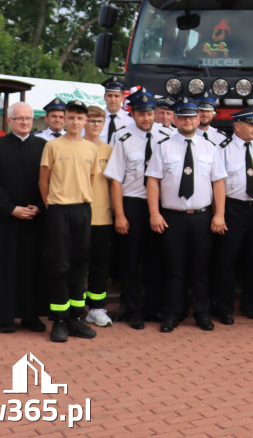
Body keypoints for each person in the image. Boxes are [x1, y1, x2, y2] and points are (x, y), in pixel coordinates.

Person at [146, 98, 226, 333]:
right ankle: (173, 313)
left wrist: (219, 214)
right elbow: (153, 181)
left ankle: (202, 314)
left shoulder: (210, 148)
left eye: (192, 116)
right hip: (173, 217)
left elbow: (219, 183)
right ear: (175, 119)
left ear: (199, 118)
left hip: (201, 217)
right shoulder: (163, 147)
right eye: (182, 117)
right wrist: (154, 213)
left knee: (201, 269)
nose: (188, 121)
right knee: (174, 268)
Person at [0, 101, 49, 334]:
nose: (25, 122)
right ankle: (4, 316)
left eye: (28, 118)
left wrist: (39, 207)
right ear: (9, 121)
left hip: (35, 219)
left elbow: (50, 181)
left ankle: (31, 315)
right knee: (3, 268)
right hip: (4, 219)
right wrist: (10, 208)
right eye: (19, 118)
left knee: (33, 268)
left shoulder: (43, 146)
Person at [38, 99, 100, 343]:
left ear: (86, 121)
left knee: (79, 263)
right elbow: (43, 181)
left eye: (80, 118)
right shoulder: (53, 146)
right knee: (59, 264)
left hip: (82, 210)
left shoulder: (90, 148)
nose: (75, 122)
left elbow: (91, 179)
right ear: (64, 119)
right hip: (58, 210)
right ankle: (60, 319)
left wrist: (80, 201)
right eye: (71, 117)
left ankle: (77, 318)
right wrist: (51, 205)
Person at [104, 90, 161, 329]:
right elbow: (115, 179)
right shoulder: (123, 138)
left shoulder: (167, 136)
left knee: (155, 260)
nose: (146, 118)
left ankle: (153, 307)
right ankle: (133, 309)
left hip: (159, 207)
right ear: (133, 114)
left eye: (149, 113)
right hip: (133, 204)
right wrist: (120, 214)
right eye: (141, 114)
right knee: (130, 260)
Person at [217, 108, 253, 324]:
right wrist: (219, 215)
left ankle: (250, 305)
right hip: (233, 209)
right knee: (227, 261)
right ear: (237, 126)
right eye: (250, 124)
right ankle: (225, 308)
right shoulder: (223, 149)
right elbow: (218, 185)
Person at [82, 106, 114, 328]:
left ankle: (97, 308)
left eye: (99, 121)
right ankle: (75, 307)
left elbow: (115, 184)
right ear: (84, 122)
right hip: (78, 215)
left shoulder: (110, 150)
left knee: (99, 264)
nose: (95, 125)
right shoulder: (75, 147)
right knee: (76, 264)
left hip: (102, 216)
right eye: (91, 120)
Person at [101, 78, 128, 144]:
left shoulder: (130, 120)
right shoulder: (96, 118)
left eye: (116, 96)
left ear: (123, 98)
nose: (113, 99)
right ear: (104, 97)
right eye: (110, 96)